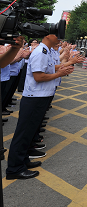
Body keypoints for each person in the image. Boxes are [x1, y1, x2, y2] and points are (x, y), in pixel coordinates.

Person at [6, 34, 76, 180]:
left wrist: (64, 67)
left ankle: (23, 160)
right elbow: (39, 76)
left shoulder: (46, 51)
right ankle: (14, 168)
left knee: (30, 132)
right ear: (48, 36)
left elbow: (50, 68)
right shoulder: (40, 52)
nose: (60, 41)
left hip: (41, 96)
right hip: (35, 97)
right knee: (24, 133)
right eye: (57, 36)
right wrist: (59, 74)